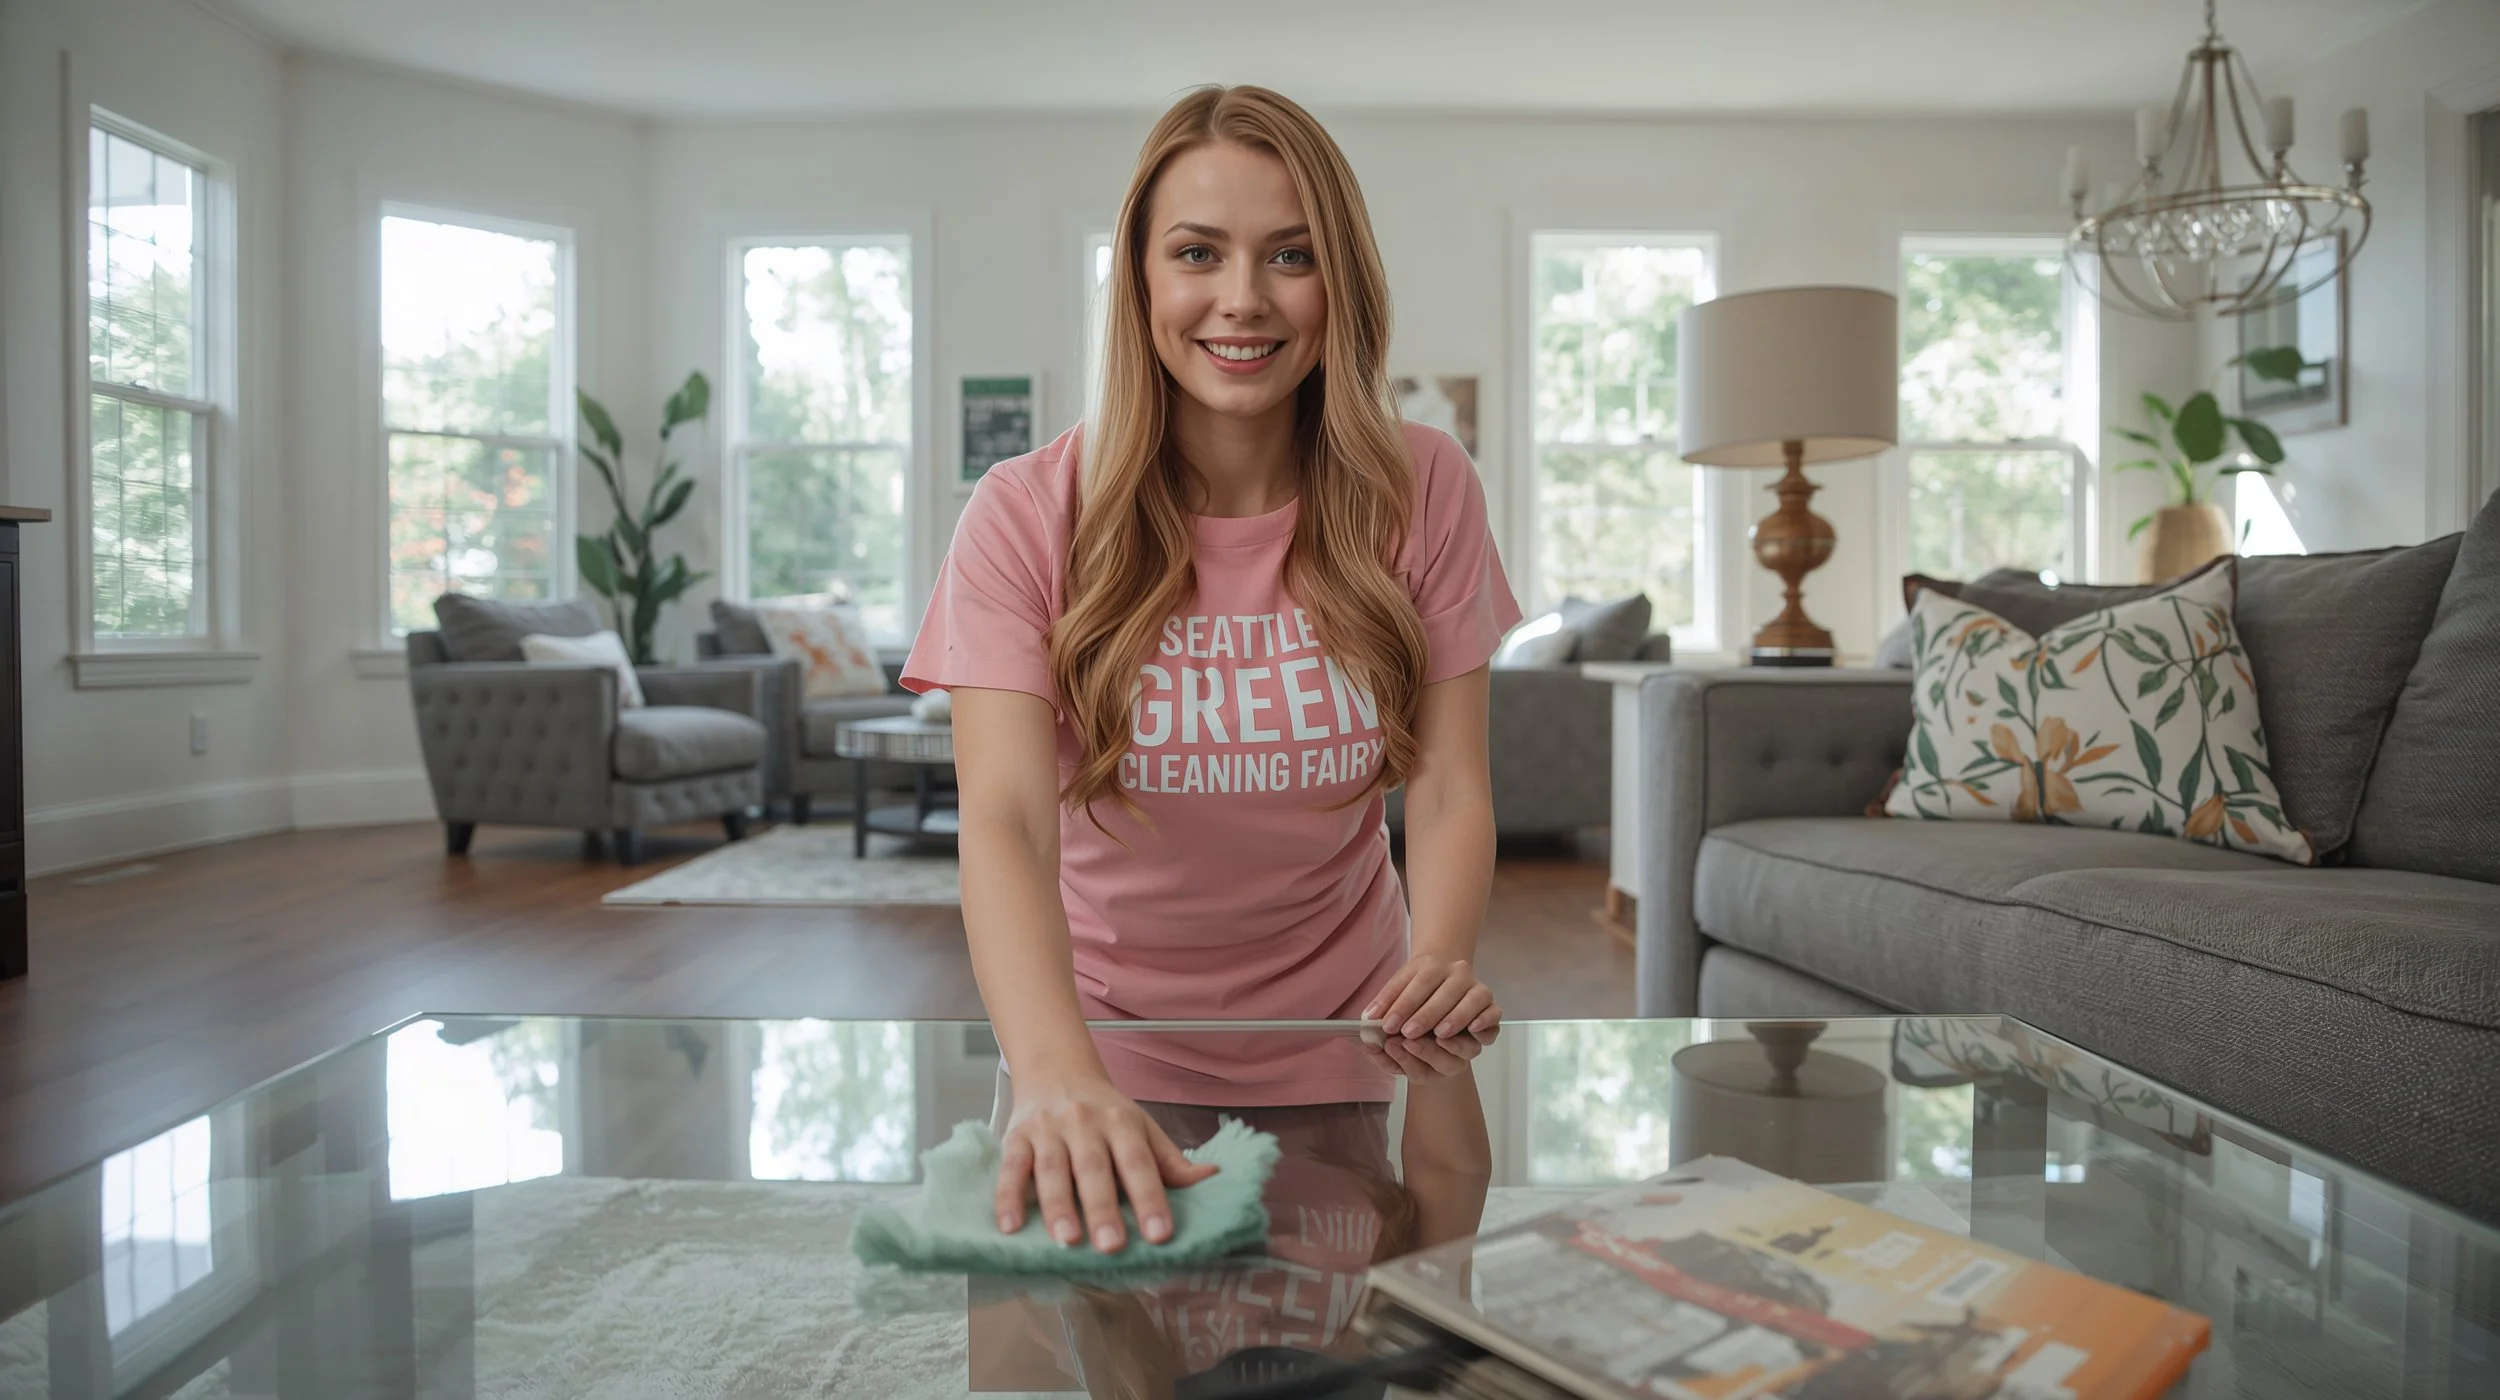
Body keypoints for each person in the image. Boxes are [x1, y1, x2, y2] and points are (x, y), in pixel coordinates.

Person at [900, 83, 1521, 1259]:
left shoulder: (1424, 484)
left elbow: (1444, 787)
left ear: (1341, 281)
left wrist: (1437, 961)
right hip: (1092, 1050)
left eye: (1291, 254)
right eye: (1198, 253)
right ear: (1138, 280)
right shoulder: (1025, 513)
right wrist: (1050, 1072)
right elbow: (1007, 819)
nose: (1242, 298)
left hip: (1357, 1038)